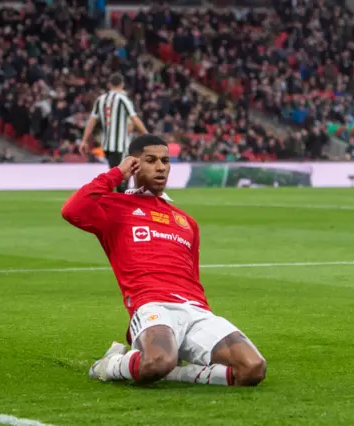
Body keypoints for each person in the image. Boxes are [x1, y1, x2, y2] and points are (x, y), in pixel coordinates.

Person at [61, 134, 266, 386]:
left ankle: (172, 368)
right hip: (152, 306)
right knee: (156, 362)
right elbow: (72, 210)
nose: (161, 166)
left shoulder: (186, 221)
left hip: (196, 312)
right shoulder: (114, 207)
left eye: (165, 161)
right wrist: (117, 173)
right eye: (151, 160)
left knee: (252, 369)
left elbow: (192, 276)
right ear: (134, 164)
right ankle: (109, 364)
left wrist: (204, 313)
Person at [80, 73, 148, 193]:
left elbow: (91, 121)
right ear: (122, 84)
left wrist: (84, 140)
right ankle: (120, 207)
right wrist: (148, 136)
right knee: (122, 179)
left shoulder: (100, 100)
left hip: (107, 146)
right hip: (120, 145)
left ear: (109, 85)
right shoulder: (123, 99)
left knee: (116, 176)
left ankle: (112, 204)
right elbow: (134, 119)